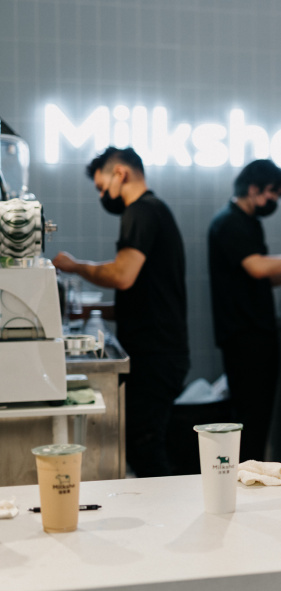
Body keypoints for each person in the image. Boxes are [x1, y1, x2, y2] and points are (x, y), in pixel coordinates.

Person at [53, 146, 189, 478]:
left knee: (145, 447)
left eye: (102, 188)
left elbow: (122, 276)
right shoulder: (153, 211)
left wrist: (74, 266)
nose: (103, 196)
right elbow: (142, 297)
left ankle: (167, 508)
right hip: (161, 350)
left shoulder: (141, 211)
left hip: (156, 354)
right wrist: (91, 310)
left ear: (120, 173)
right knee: (145, 445)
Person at [208, 159, 281, 462]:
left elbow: (262, 277)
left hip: (254, 333)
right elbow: (258, 267)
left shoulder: (248, 222)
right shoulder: (229, 223)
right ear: (253, 188)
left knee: (257, 417)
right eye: (272, 192)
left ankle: (249, 470)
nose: (274, 200)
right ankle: (245, 473)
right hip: (244, 336)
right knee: (250, 417)